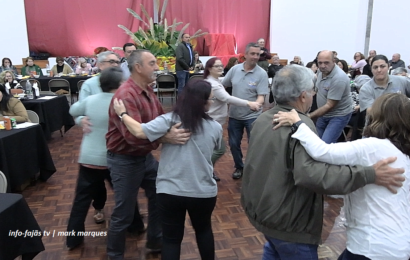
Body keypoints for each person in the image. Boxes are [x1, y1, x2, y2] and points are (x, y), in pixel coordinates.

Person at [241, 64, 405, 260]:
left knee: (274, 249)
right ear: (303, 96)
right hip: (289, 222)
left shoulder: (264, 118)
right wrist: (368, 174)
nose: (313, 95)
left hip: (263, 212)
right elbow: (312, 174)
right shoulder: (299, 124)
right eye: (312, 91)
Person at [272, 93, 410, 260]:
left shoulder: (373, 147)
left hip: (372, 245)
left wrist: (298, 123)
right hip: (398, 243)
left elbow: (323, 152)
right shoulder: (403, 152)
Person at [113, 80, 222, 260]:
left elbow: (139, 132)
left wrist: (122, 114)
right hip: (202, 192)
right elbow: (217, 148)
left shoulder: (169, 120)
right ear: (201, 102)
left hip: (170, 192)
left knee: (171, 240)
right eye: (211, 99)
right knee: (204, 232)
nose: (212, 102)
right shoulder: (215, 127)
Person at [105, 49, 190, 259]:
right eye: (152, 63)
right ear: (138, 68)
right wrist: (164, 138)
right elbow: (133, 138)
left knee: (159, 196)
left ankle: (155, 240)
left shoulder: (148, 91)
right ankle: (114, 255)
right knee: (123, 214)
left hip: (144, 157)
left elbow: (162, 118)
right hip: (124, 160)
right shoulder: (125, 95)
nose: (157, 67)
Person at [66, 67, 123, 249]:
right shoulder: (121, 103)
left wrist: (81, 119)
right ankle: (136, 226)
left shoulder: (90, 100)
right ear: (120, 84)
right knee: (124, 196)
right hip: (113, 158)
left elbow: (73, 110)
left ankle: (72, 239)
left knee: (81, 201)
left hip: (88, 158)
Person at [204, 57, 261, 181]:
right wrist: (249, 103)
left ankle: (207, 171)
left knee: (213, 149)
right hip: (213, 121)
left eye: (221, 65)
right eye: (217, 66)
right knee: (219, 150)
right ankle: (204, 171)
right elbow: (227, 99)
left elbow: (225, 83)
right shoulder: (213, 84)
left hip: (214, 121)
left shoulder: (215, 80)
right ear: (209, 69)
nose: (220, 68)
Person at [222, 42, 269, 179]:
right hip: (234, 115)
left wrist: (256, 104)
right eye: (252, 54)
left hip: (252, 116)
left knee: (254, 144)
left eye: (258, 54)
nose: (255, 57)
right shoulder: (235, 69)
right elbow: (224, 86)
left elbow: (261, 97)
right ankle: (239, 167)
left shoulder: (262, 74)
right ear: (245, 54)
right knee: (234, 144)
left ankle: (252, 169)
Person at [309, 50, 352, 144]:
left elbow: (329, 105)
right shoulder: (321, 71)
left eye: (326, 62)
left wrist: (309, 116)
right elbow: (314, 90)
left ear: (334, 61)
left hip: (338, 115)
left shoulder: (339, 78)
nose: (323, 66)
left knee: (324, 145)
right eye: (320, 63)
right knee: (316, 143)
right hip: (323, 113)